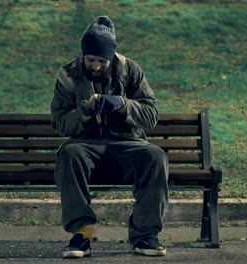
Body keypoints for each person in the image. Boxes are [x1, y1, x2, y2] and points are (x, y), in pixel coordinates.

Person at [50, 15, 169, 258]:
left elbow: (150, 116)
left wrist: (122, 105)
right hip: (86, 145)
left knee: (155, 156)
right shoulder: (68, 74)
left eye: (102, 61)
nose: (95, 66)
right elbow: (60, 122)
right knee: (69, 152)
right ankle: (81, 233)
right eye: (90, 59)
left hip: (127, 144)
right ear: (83, 55)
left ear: (111, 57)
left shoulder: (131, 71)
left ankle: (145, 236)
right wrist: (83, 113)